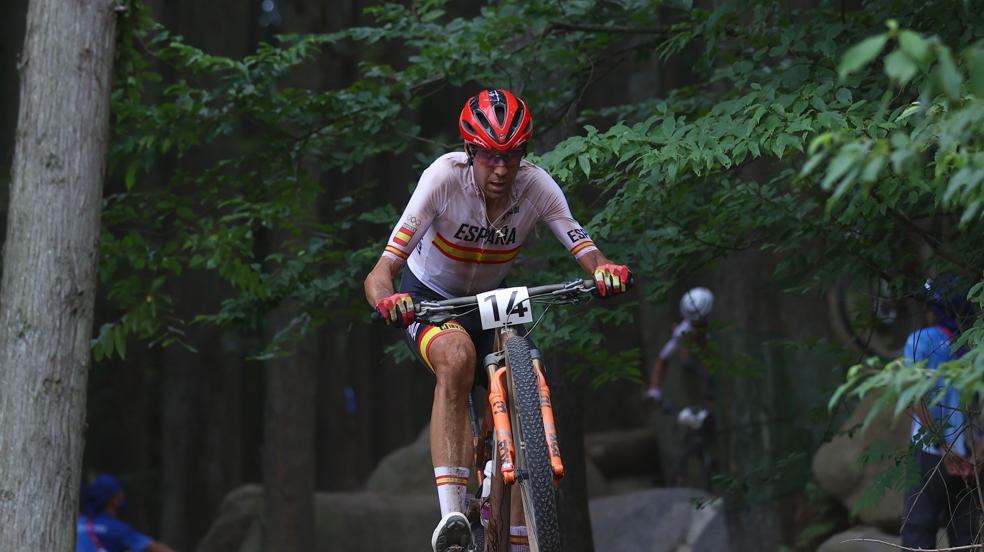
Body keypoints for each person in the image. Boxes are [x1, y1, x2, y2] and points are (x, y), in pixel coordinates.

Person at [364, 88, 631, 552]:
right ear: (470, 152)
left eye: (511, 156)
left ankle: (520, 523)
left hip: (490, 300)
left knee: (518, 372)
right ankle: (452, 517)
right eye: (490, 157)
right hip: (429, 297)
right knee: (457, 356)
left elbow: (583, 245)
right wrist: (390, 300)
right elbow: (381, 270)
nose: (502, 169)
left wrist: (603, 271)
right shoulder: (442, 179)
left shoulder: (537, 186)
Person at [901, 277, 982, 549]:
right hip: (974, 456)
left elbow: (914, 397)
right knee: (967, 533)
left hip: (931, 454)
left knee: (918, 529)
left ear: (936, 310)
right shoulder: (977, 344)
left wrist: (942, 445)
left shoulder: (920, 340)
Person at [76, 474, 177, 552]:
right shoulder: (117, 529)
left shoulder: (77, 523)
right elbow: (154, 548)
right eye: (119, 492)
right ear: (114, 500)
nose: (123, 495)